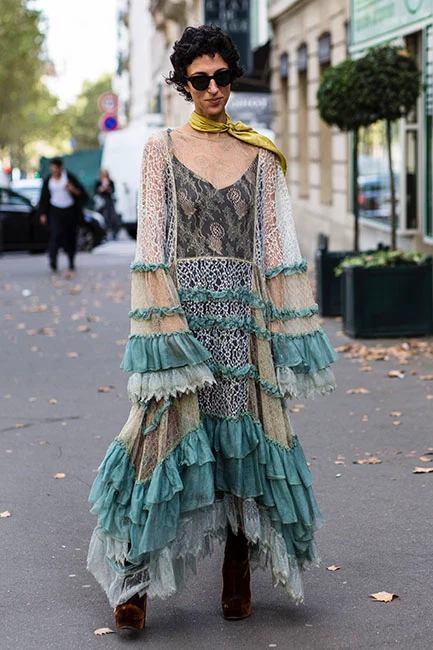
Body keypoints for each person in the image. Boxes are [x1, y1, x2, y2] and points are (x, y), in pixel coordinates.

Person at [87, 25, 338, 632]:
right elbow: (153, 244)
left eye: (222, 76)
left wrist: (285, 328)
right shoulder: (160, 149)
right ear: (183, 84)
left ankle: (236, 569)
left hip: (242, 325)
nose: (213, 88)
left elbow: (274, 247)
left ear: (233, 77)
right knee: (159, 438)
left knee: (240, 443)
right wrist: (162, 326)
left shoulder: (261, 153)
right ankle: (135, 580)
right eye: (200, 79)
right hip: (182, 318)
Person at [39, 157, 89, 272]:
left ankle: (71, 260)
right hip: (55, 211)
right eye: (52, 168)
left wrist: (72, 189)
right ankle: (53, 260)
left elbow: (83, 195)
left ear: (61, 167)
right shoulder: (49, 180)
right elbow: (44, 198)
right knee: (55, 235)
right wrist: (43, 213)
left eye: (56, 168)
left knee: (70, 236)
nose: (54, 171)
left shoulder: (69, 178)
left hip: (69, 210)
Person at [94, 169, 120, 240]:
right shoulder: (98, 182)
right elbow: (96, 191)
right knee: (104, 218)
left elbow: (113, 191)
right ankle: (105, 234)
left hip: (109, 202)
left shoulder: (111, 182)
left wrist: (108, 189)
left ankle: (114, 234)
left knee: (112, 218)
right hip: (102, 203)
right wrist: (101, 189)